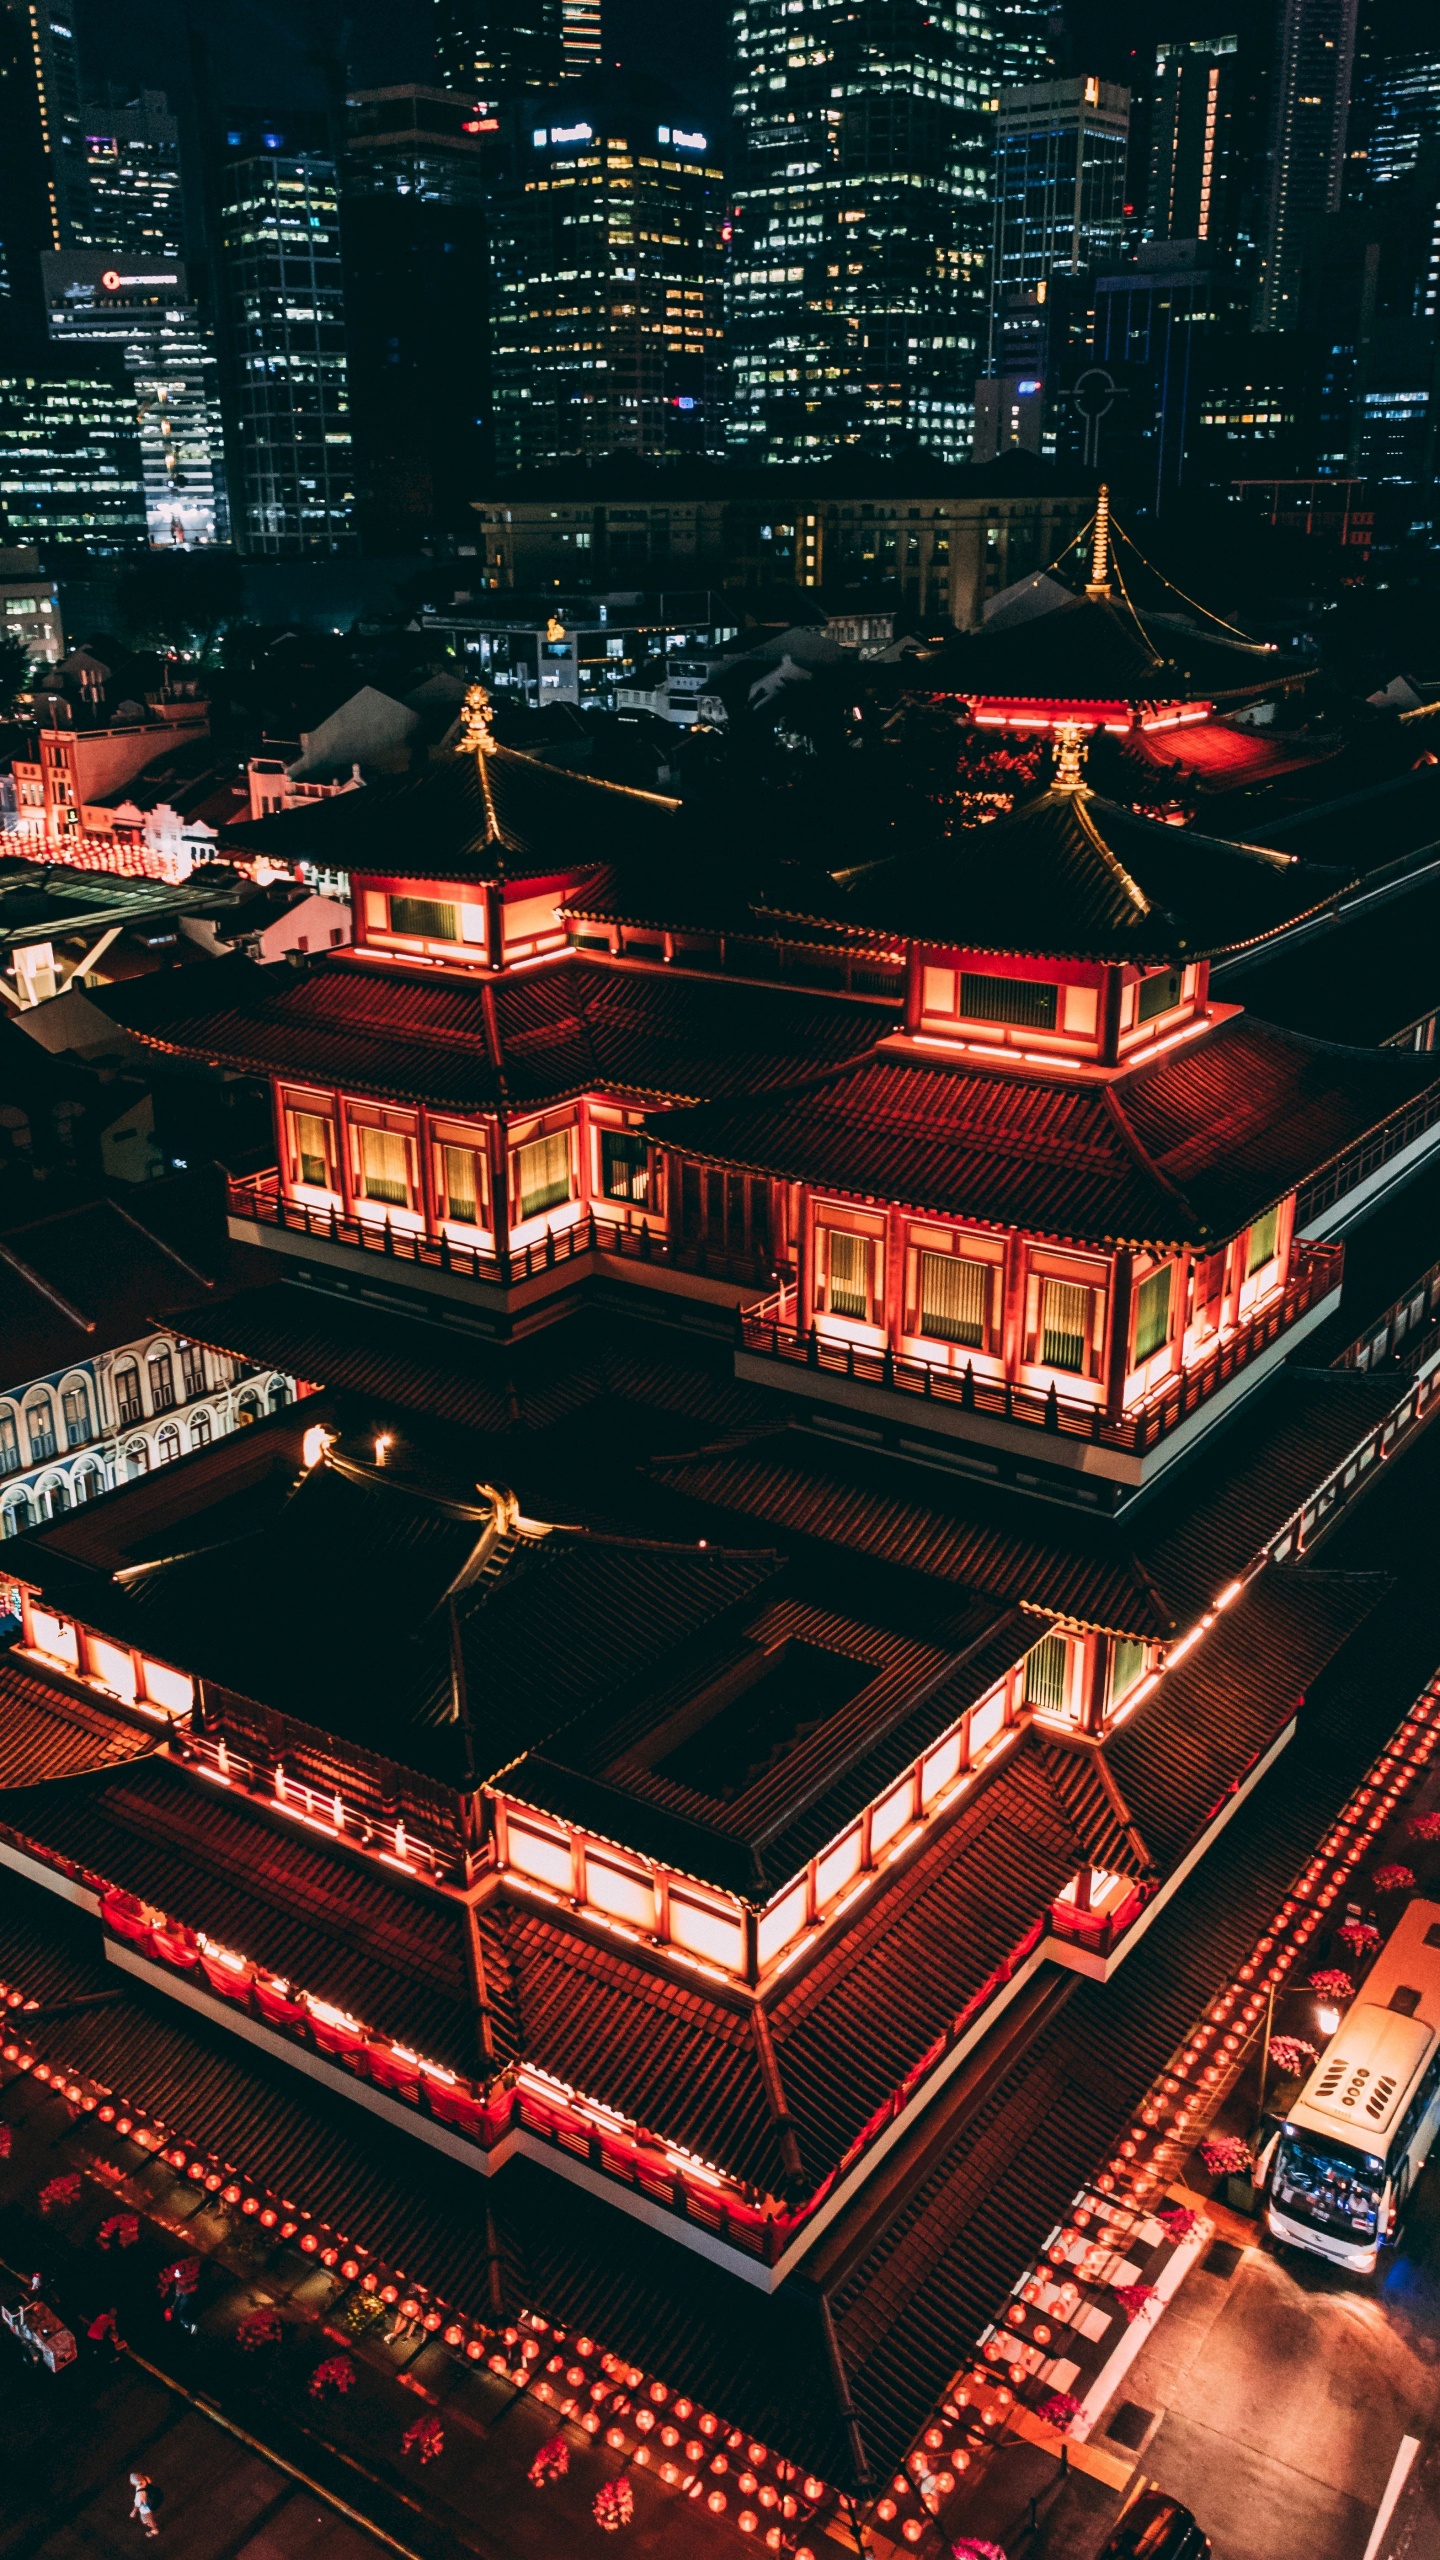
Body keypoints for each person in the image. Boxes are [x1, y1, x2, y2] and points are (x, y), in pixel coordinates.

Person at [129, 2473, 158, 2538]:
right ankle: (151, 2523)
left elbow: (137, 2504)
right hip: (150, 2500)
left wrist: (133, 2512)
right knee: (145, 2519)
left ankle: (154, 2529)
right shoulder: (145, 2478)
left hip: (145, 2508)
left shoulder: (139, 2492)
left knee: (148, 2518)